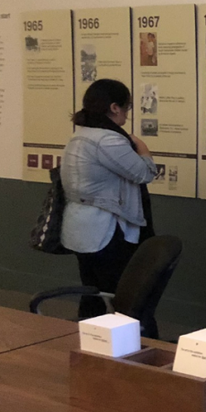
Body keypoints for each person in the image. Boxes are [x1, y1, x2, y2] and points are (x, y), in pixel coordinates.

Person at [61, 79, 158, 326]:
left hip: (81, 226)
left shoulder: (81, 134)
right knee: (120, 294)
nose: (127, 113)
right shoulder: (108, 140)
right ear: (115, 108)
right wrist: (144, 150)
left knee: (93, 291)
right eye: (127, 107)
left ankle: (90, 346)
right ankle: (125, 347)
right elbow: (143, 173)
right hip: (105, 229)